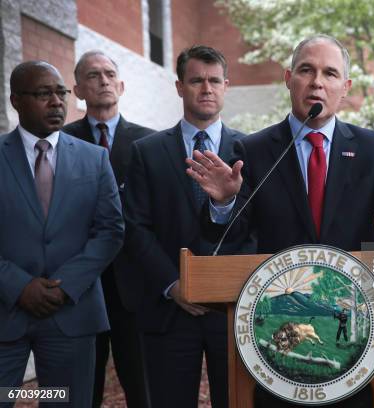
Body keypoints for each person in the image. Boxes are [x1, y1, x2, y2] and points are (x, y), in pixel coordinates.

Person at [188, 34, 374, 408]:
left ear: (345, 88)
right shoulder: (253, 151)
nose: (317, 81)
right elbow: (231, 237)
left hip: (353, 326)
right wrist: (225, 203)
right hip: (275, 331)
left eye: (329, 73)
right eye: (306, 70)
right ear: (289, 78)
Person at [122, 45, 248, 408]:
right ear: (179, 87)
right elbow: (134, 226)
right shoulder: (146, 151)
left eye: (213, 81)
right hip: (169, 311)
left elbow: (257, 228)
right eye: (196, 80)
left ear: (225, 86)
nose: (205, 89)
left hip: (231, 309)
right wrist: (172, 284)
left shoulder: (251, 149)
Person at [0, 61, 124, 406]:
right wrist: (19, 286)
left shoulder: (95, 159)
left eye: (60, 92)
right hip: (5, 311)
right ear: (15, 100)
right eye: (43, 93)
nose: (56, 101)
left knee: (64, 401)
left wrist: (66, 285)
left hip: (71, 312)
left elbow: (110, 231)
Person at [62, 50, 154, 408]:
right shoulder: (61, 141)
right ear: (78, 90)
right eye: (93, 75)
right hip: (81, 282)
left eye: (109, 73)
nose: (103, 80)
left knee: (141, 387)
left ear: (122, 84)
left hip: (135, 285)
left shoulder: (150, 144)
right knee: (82, 389)